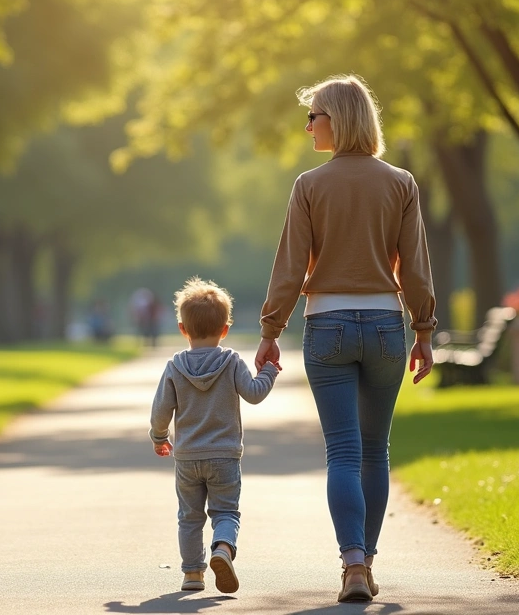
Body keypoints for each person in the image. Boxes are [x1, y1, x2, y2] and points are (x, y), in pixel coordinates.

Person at [254, 74, 436, 603]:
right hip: (384, 327)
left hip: (327, 326)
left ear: (338, 118)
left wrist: (271, 331)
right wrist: (423, 330)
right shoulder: (400, 182)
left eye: (314, 115)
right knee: (374, 451)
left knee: (342, 450)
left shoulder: (309, 186)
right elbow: (417, 270)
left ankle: (353, 563)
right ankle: (366, 563)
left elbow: (289, 269)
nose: (308, 125)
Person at [150, 277, 280, 594]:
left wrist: (159, 437)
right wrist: (269, 371)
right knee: (225, 512)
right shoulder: (231, 361)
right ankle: (222, 550)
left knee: (190, 517)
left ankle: (193, 574)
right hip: (224, 456)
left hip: (187, 457)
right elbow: (253, 394)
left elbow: (160, 410)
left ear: (183, 329)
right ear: (225, 329)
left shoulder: (175, 366)